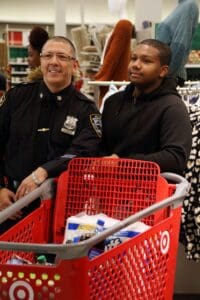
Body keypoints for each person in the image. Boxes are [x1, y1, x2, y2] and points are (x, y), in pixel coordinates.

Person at [0, 36, 102, 231]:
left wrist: (44, 171)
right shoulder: (16, 98)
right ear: (41, 61)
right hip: (12, 204)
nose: (54, 62)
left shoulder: (86, 110)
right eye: (48, 56)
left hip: (61, 208)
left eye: (62, 57)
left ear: (74, 65)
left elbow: (84, 152)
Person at [101, 39, 192, 175]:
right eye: (133, 58)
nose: (136, 65)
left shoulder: (173, 107)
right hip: (108, 186)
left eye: (146, 61)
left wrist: (123, 163)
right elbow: (102, 146)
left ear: (163, 71)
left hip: (152, 191)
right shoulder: (112, 102)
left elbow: (175, 158)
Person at [155, 0, 199, 86]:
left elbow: (180, 45)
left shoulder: (189, 5)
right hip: (165, 74)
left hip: (169, 77)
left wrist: (166, 76)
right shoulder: (181, 7)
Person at [95, 19, 134, 103]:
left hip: (114, 79)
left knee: (108, 106)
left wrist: (101, 76)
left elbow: (112, 57)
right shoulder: (124, 30)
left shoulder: (122, 27)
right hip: (119, 78)